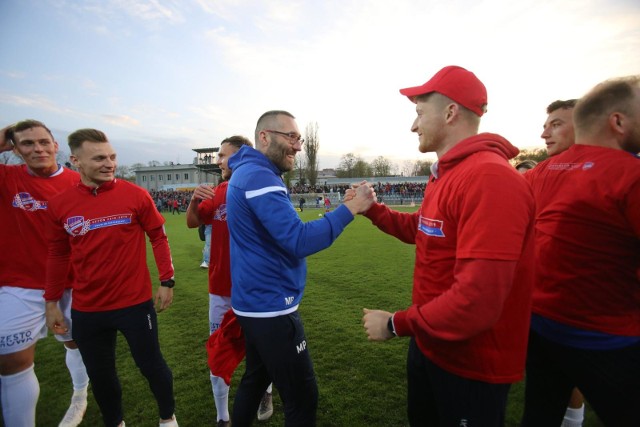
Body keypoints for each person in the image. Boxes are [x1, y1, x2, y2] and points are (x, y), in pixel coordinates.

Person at [359, 66, 535, 426]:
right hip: (430, 343)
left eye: (420, 113)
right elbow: (422, 229)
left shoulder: (490, 178)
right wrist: (373, 210)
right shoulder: (448, 173)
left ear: (451, 112)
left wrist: (395, 324)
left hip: (470, 362)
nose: (413, 126)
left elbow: (477, 302)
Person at [226, 110, 376, 426]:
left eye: (300, 138)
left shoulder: (248, 172)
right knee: (302, 398)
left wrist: (340, 209)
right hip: (271, 309)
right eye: (291, 137)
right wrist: (350, 208)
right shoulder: (259, 176)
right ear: (264, 137)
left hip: (253, 304)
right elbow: (298, 240)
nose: (297, 146)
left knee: (255, 380)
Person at [521, 76, 640, 426]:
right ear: (617, 122)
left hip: (541, 326)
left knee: (539, 414)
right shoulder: (630, 174)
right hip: (608, 337)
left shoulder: (538, 173)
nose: (546, 133)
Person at [43, 128, 179, 427]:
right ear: (76, 160)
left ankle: (167, 418)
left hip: (134, 303)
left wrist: (166, 281)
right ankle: (115, 422)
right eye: (100, 158)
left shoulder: (135, 194)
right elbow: (57, 255)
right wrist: (51, 301)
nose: (109, 163)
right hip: (88, 309)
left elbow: (158, 236)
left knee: (151, 365)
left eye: (112, 157)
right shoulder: (60, 204)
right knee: (102, 375)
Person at [0, 120, 90, 427]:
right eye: (26, 143)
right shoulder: (6, 177)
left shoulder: (80, 182)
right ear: (14, 149)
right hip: (20, 284)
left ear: (55, 146)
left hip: (72, 283)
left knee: (74, 343)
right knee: (11, 360)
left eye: (43, 142)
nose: (37, 148)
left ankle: (80, 395)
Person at [186, 135, 273, 427]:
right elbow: (193, 222)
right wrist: (194, 199)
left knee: (260, 349)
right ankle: (223, 417)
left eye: (224, 155)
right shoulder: (218, 192)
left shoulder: (261, 187)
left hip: (255, 290)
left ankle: (266, 392)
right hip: (221, 289)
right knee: (218, 349)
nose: (220, 160)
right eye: (219, 155)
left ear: (241, 157)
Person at [538, 98, 586, 427]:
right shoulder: (541, 172)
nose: (544, 134)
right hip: (541, 309)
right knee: (542, 399)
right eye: (545, 125)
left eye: (556, 124)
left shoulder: (620, 170)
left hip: (600, 320)